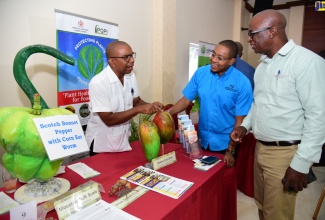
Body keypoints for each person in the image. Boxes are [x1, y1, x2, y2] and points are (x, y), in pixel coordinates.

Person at [230, 9, 325, 220]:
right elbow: (259, 105)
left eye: (253, 33)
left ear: (272, 31)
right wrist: (245, 125)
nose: (249, 39)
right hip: (260, 149)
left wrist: (301, 164)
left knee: (278, 214)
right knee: (263, 207)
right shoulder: (263, 66)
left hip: (285, 154)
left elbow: (318, 117)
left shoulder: (306, 62)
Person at [167, 40, 253, 168]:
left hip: (225, 145)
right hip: (202, 142)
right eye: (213, 55)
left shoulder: (242, 82)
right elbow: (186, 100)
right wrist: (167, 113)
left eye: (220, 58)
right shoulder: (201, 73)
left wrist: (230, 150)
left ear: (231, 61)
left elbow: (239, 121)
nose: (214, 60)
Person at [85, 41, 163, 155]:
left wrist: (151, 106)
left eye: (132, 55)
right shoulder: (98, 83)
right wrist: (139, 110)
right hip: (101, 146)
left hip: (123, 141)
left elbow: (136, 101)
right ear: (112, 61)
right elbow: (109, 119)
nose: (132, 60)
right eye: (126, 57)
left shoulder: (130, 76)